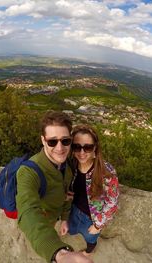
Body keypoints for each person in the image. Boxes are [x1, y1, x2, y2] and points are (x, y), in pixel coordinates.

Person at [16, 111, 93, 263]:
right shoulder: (29, 172)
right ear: (43, 141)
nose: (60, 148)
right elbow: (28, 211)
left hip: (57, 213)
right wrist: (60, 253)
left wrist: (64, 218)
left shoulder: (68, 163)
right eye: (52, 142)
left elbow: (67, 192)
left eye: (65, 141)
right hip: (45, 217)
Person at [64, 124, 119, 256]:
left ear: (95, 148)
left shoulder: (106, 172)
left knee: (90, 239)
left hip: (92, 217)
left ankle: (89, 251)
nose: (82, 152)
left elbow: (112, 202)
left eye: (87, 147)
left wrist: (98, 225)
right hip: (74, 209)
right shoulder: (72, 164)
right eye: (77, 147)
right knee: (71, 230)